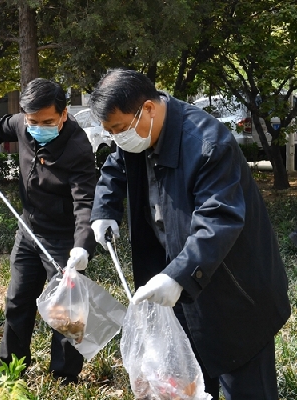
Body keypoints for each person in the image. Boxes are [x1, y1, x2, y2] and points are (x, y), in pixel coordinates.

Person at [89, 68, 290, 399]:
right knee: (189, 385)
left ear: (149, 109)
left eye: (120, 129)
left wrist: (179, 275)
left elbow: (219, 218)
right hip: (177, 287)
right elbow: (116, 167)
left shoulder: (208, 144)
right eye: (111, 133)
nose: (119, 139)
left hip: (234, 294)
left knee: (247, 386)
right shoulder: (137, 134)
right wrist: (104, 210)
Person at [0, 78, 97, 384]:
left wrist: (82, 246)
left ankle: (65, 376)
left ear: (63, 114)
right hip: (28, 228)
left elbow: (85, 202)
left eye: (47, 121)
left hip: (62, 237)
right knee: (17, 299)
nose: (38, 127)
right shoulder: (23, 123)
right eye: (33, 121)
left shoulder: (77, 148)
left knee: (66, 310)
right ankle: (12, 366)